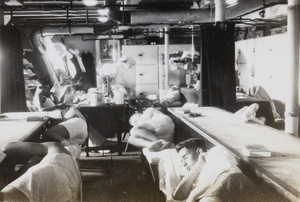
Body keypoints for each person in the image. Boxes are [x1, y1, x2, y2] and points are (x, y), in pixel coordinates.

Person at [172, 138, 256, 202]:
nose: (184, 163)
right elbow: (178, 195)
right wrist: (198, 166)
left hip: (232, 182)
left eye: (185, 157)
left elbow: (227, 173)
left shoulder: (215, 152)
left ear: (199, 151)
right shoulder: (196, 171)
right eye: (182, 161)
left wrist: (193, 196)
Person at [0, 141, 81, 202]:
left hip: (44, 178)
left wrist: (28, 165)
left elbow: (6, 147)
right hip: (68, 189)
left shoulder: (54, 147)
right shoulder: (59, 149)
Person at [33, 78, 88, 157]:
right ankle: (69, 142)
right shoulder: (39, 95)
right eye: (41, 87)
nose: (44, 89)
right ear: (37, 86)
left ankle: (82, 137)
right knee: (74, 111)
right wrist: (57, 106)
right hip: (53, 118)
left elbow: (58, 104)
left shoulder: (47, 94)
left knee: (76, 112)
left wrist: (55, 98)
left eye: (46, 88)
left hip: (57, 116)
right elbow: (41, 109)